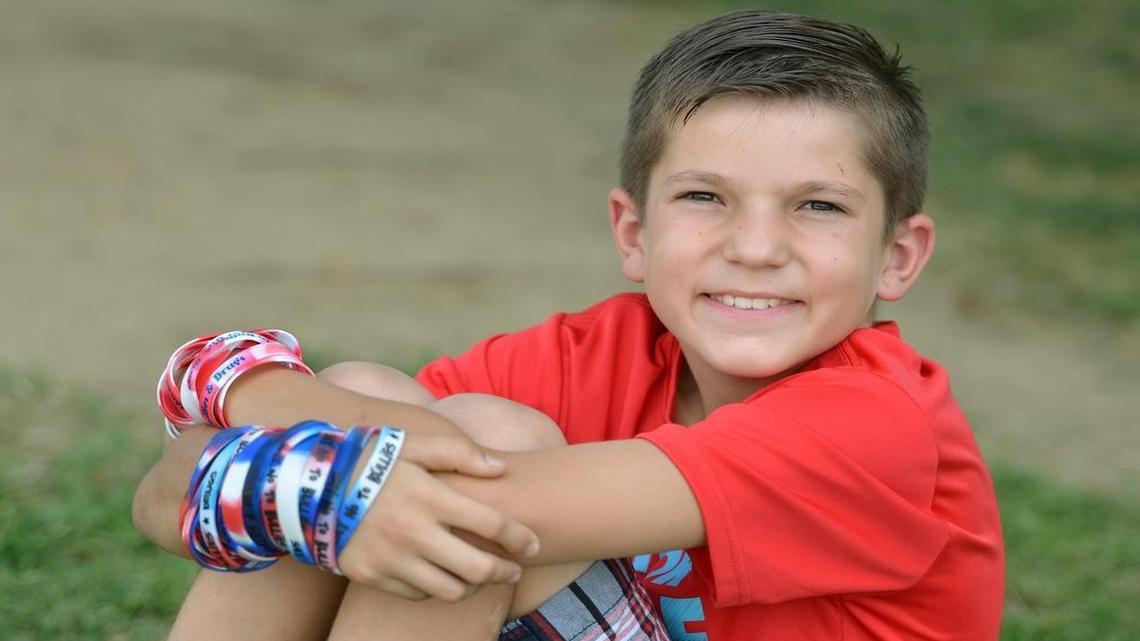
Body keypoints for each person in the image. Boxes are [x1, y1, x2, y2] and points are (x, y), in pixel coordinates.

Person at [133, 9, 1005, 641]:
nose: (756, 247)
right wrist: (275, 413)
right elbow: (164, 491)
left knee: (399, 478)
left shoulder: (871, 424)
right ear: (635, 232)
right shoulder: (603, 354)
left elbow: (442, 510)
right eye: (706, 198)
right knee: (365, 409)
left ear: (897, 255)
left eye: (818, 206)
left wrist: (247, 411)